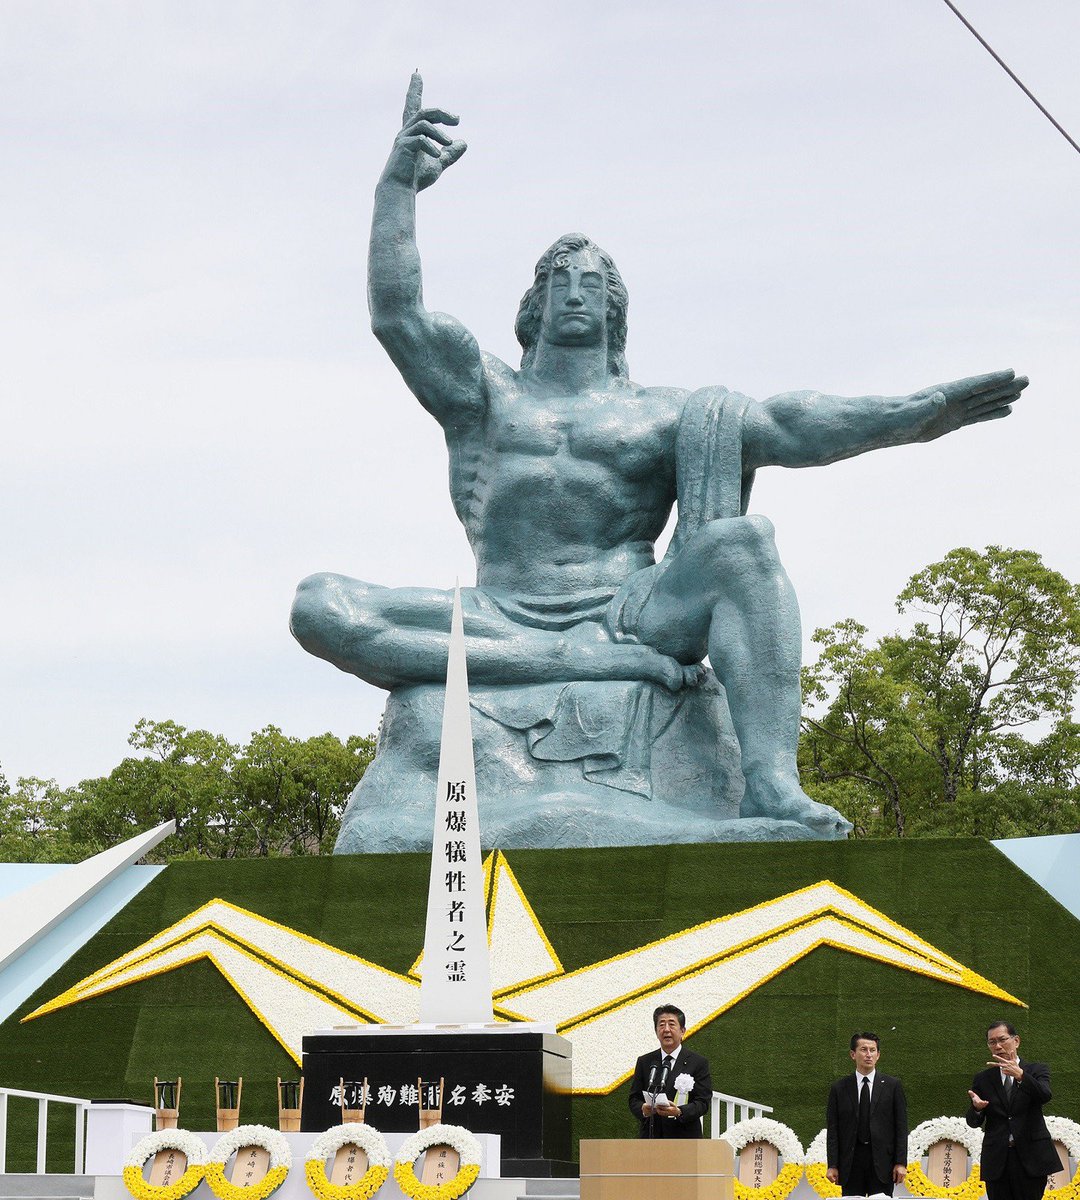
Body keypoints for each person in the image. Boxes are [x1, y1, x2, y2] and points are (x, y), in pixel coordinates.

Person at [290, 73, 1027, 839]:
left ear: (615, 308)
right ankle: (574, 666)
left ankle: (772, 783)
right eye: (559, 281)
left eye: (592, 283)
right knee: (318, 603)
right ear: (533, 305)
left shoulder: (667, 413)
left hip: (629, 614)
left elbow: (787, 424)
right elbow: (398, 315)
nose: (575, 292)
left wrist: (909, 416)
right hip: (499, 611)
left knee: (743, 544)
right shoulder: (483, 394)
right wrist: (397, 189)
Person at [966, 1020, 1063, 1200]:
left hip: (1031, 1157)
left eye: (1002, 1039)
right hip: (997, 1159)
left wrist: (1020, 1075)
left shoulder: (1036, 1070)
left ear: (1016, 1041)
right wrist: (977, 1109)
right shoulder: (983, 1079)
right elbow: (973, 1122)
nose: (998, 1046)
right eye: (992, 1042)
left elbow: (1044, 1095)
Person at [826, 1031, 908, 1196]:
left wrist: (900, 1163)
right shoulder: (839, 1088)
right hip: (851, 1163)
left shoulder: (892, 1086)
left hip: (882, 1163)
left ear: (878, 1055)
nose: (868, 1054)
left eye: (873, 1050)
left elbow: (901, 1127)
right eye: (863, 1049)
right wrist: (832, 1164)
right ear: (852, 1054)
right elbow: (833, 1130)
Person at [628, 1004, 713, 1138]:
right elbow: (634, 1098)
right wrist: (643, 1109)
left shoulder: (698, 1062)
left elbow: (703, 1102)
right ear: (656, 1031)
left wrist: (679, 1111)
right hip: (651, 1137)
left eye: (671, 1024)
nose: (666, 1029)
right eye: (661, 1025)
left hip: (685, 1137)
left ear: (683, 1030)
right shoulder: (645, 1061)